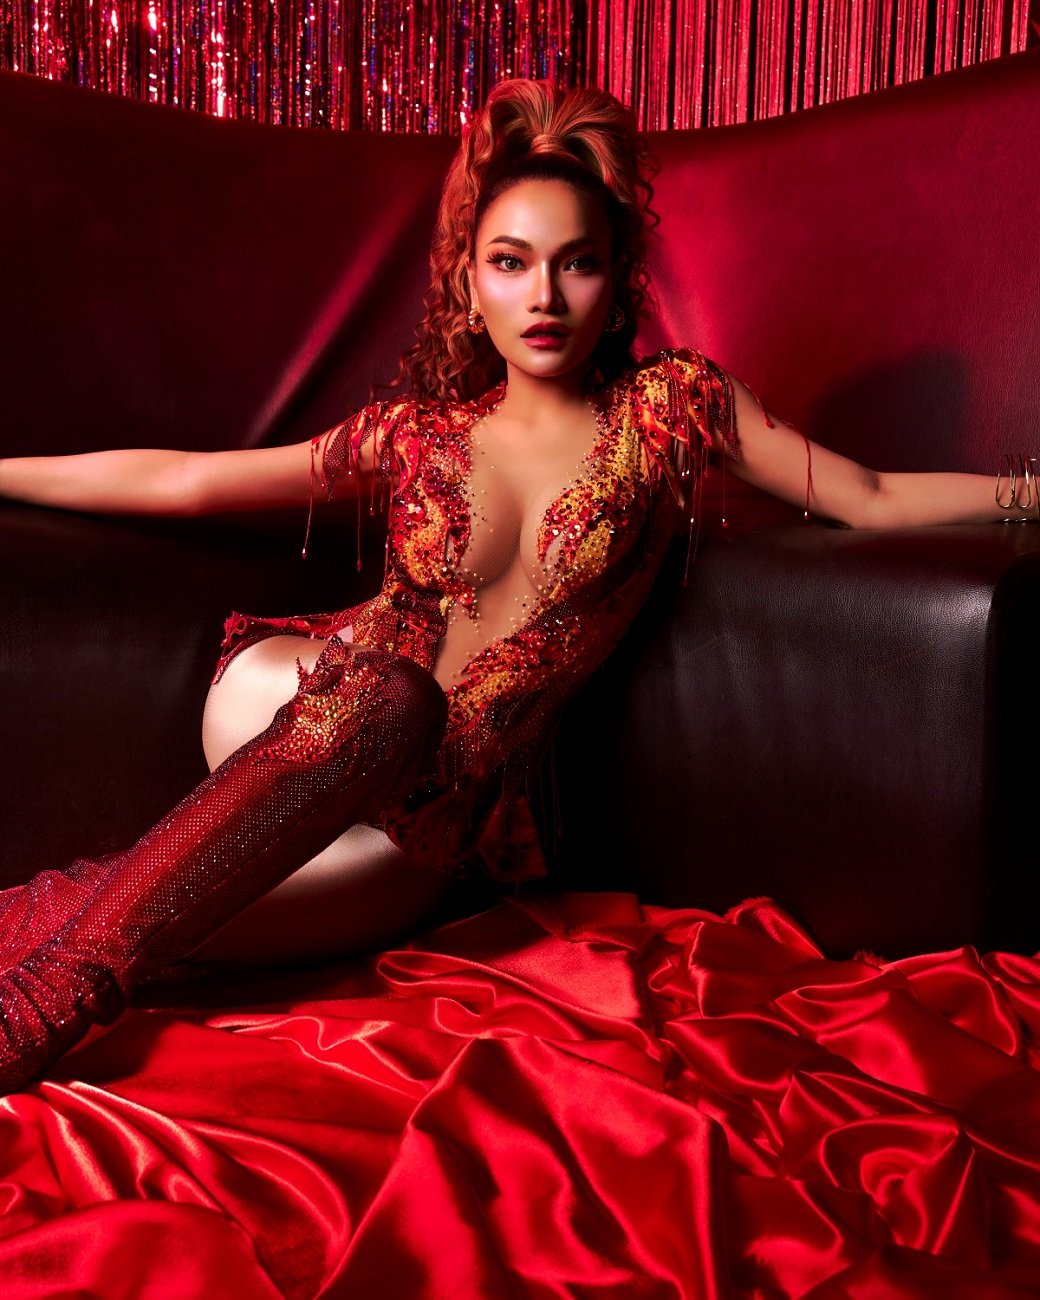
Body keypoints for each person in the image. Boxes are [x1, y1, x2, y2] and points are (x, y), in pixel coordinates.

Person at [0, 78, 1034, 1097]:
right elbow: (186, 480)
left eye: (575, 262)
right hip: (292, 696)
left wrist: (1026, 496)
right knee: (390, 696)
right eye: (511, 262)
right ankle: (37, 1012)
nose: (543, 296)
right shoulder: (416, 434)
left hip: (431, 825)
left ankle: (36, 937)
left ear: (615, 279)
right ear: (469, 283)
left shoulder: (670, 411)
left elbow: (867, 495)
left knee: (181, 915)